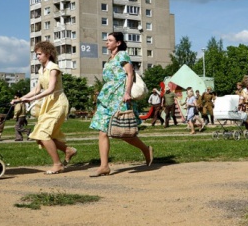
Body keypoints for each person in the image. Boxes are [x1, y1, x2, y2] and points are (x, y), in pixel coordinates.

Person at [90, 32, 153, 177]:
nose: (107, 42)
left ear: (118, 43)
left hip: (120, 97)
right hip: (107, 97)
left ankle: (145, 149)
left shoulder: (123, 55)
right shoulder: (109, 59)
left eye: (110, 40)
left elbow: (130, 75)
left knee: (124, 133)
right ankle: (104, 166)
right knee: (102, 131)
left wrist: (127, 93)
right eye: (107, 40)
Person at [16, 41, 77, 174]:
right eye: (36, 54)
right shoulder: (41, 69)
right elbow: (37, 89)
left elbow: (50, 89)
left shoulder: (53, 68)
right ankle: (68, 150)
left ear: (47, 54)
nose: (37, 57)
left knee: (43, 133)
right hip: (49, 104)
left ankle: (58, 164)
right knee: (41, 136)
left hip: (58, 103)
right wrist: (20, 99)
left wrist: (31, 99)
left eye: (39, 54)